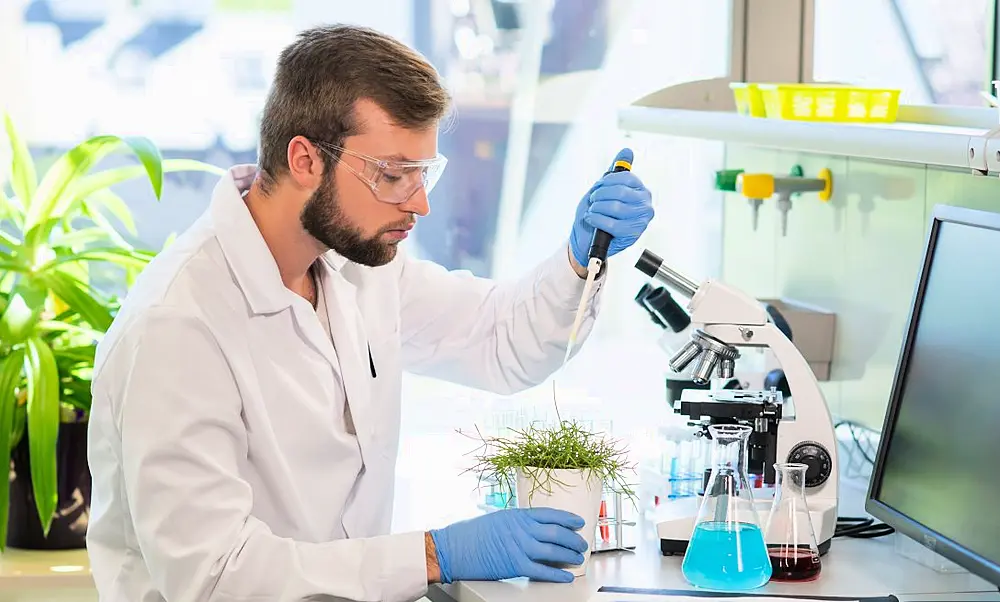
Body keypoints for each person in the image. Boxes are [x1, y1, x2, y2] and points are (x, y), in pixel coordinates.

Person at [86, 24, 654, 602]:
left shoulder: (358, 266)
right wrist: (436, 555)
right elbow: (215, 576)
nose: (420, 202)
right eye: (392, 174)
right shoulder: (178, 324)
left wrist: (579, 260)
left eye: (424, 172)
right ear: (305, 159)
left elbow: (498, 340)